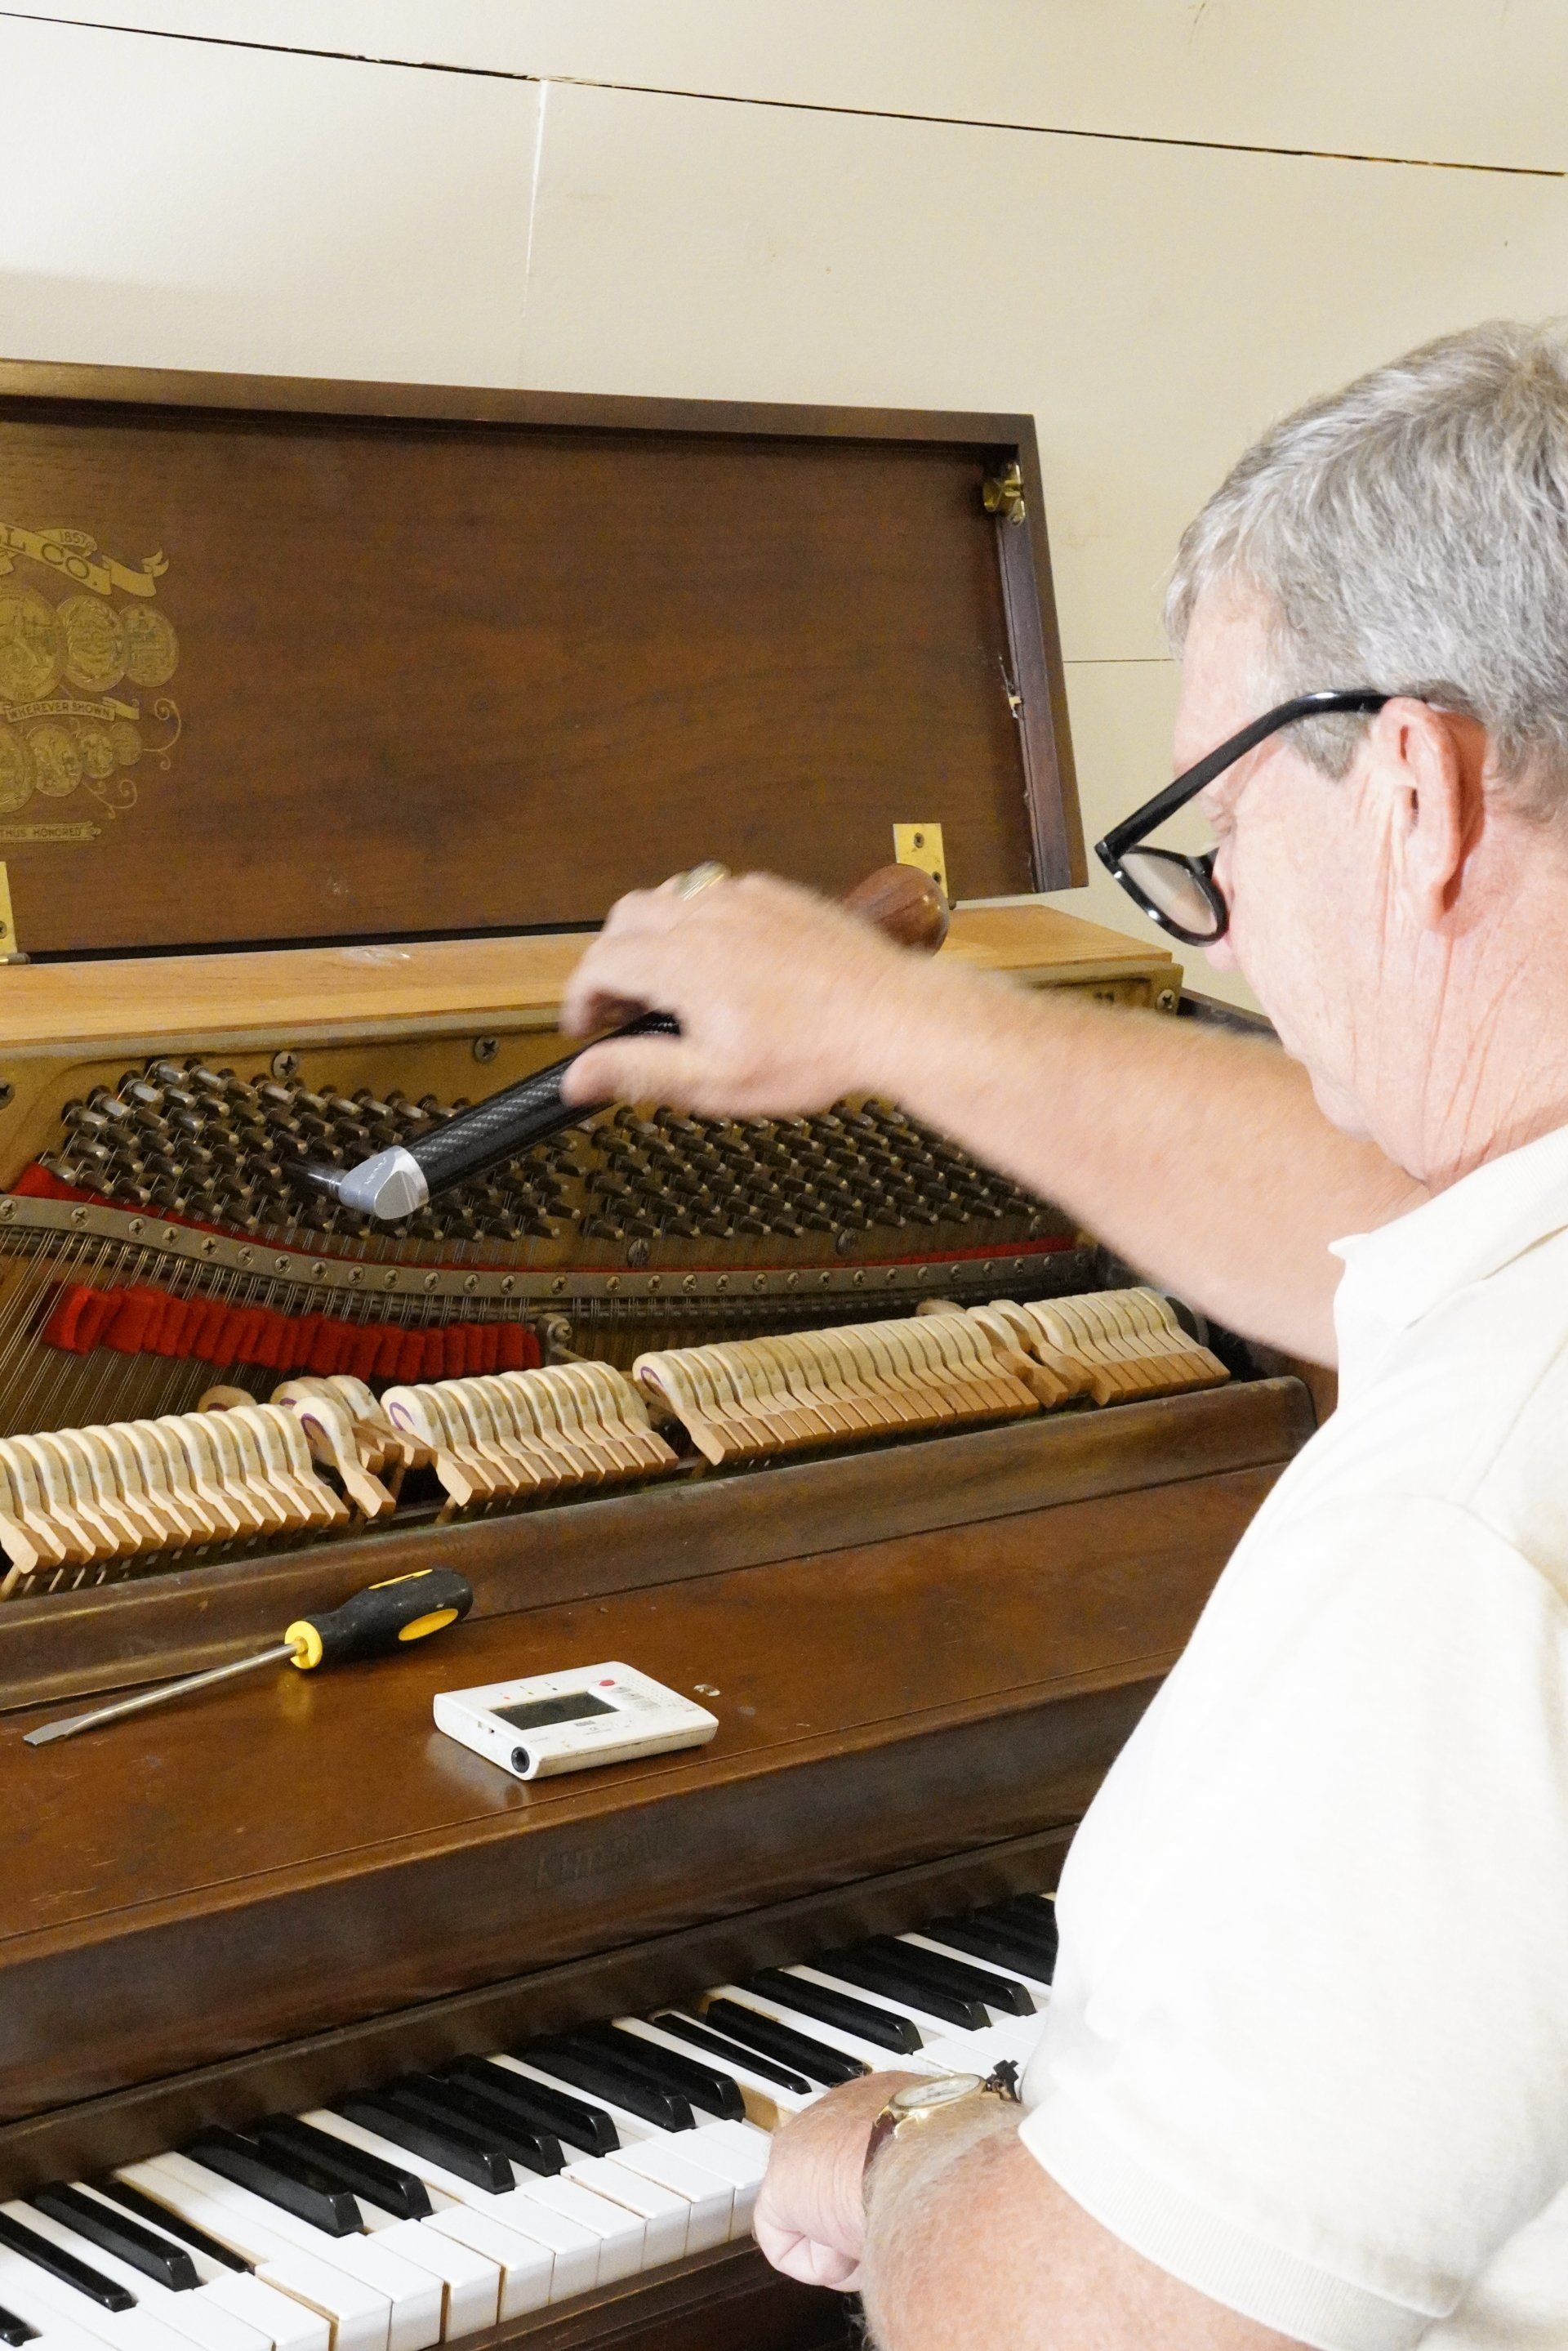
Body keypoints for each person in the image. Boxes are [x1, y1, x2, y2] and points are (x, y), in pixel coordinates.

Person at [559, 320, 1568, 2350]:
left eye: (1208, 836)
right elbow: (1418, 1229)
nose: (1211, 936)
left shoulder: (1466, 1507)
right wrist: (892, 1019)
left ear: (1415, 788)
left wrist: (929, 2143)